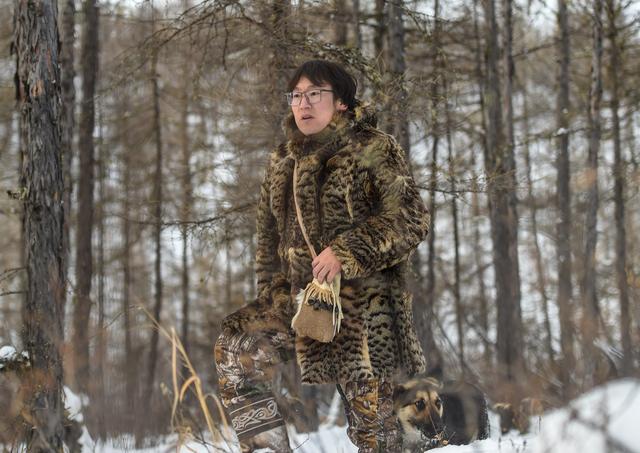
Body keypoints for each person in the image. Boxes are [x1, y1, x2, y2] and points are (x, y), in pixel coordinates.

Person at [214, 59, 430, 453]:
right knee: (237, 345)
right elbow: (267, 241)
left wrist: (345, 252)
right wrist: (272, 294)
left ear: (342, 103)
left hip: (366, 314)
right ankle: (265, 446)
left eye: (315, 94)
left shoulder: (374, 148)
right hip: (301, 305)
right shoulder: (282, 159)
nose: (303, 103)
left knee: (376, 437)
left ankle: (449, 432)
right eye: (296, 95)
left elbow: (411, 220)